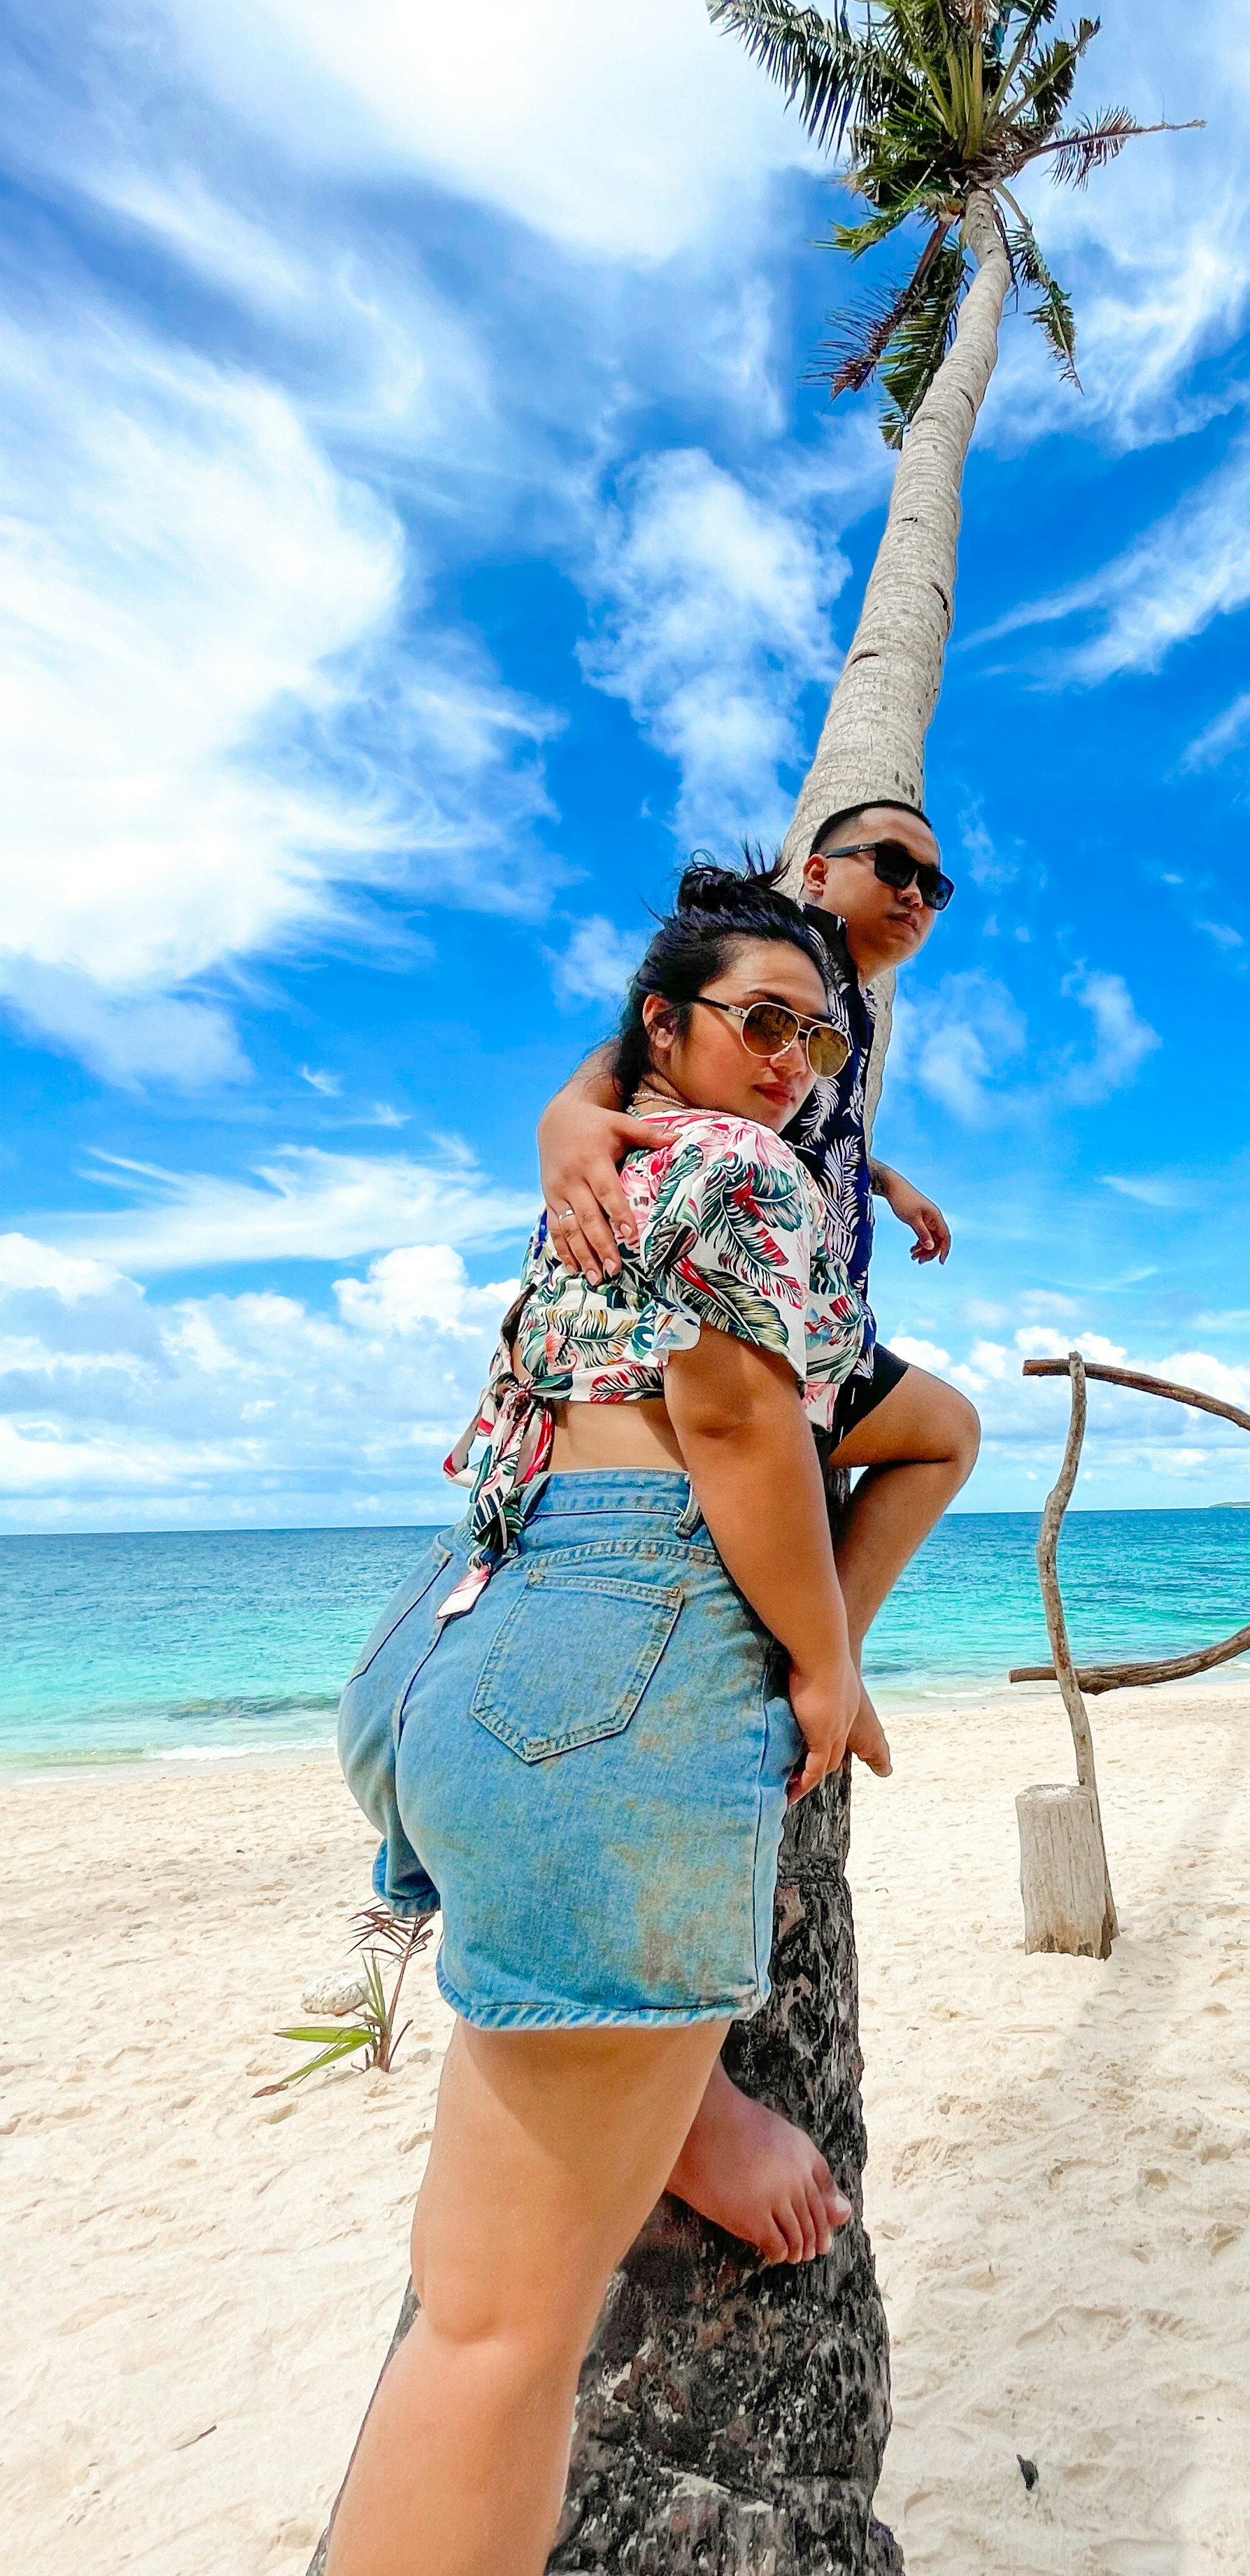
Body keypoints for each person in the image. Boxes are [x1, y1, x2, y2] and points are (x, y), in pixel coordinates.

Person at [327, 871, 891, 2576]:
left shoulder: (616, 1158)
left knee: (473, 2312)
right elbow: (734, 1422)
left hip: (459, 1640)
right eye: (761, 1021)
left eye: (817, 1034)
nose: (793, 1060)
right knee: (501, 2351)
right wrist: (824, 1658)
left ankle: (687, 2103)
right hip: (613, 1667)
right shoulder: (740, 1172)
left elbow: (829, 1404)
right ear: (668, 1021)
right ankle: (681, 2097)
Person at [538, 797, 980, 1653]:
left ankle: (826, 1654)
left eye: (936, 884)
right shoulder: (800, 951)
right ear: (818, 873)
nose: (916, 894)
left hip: (791, 1305)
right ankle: (830, 1657)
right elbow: (650, 1026)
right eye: (892, 866)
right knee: (947, 1433)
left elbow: (822, 1127)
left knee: (942, 1431)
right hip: (752, 1304)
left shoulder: (856, 1001)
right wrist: (567, 1114)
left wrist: (887, 1182)